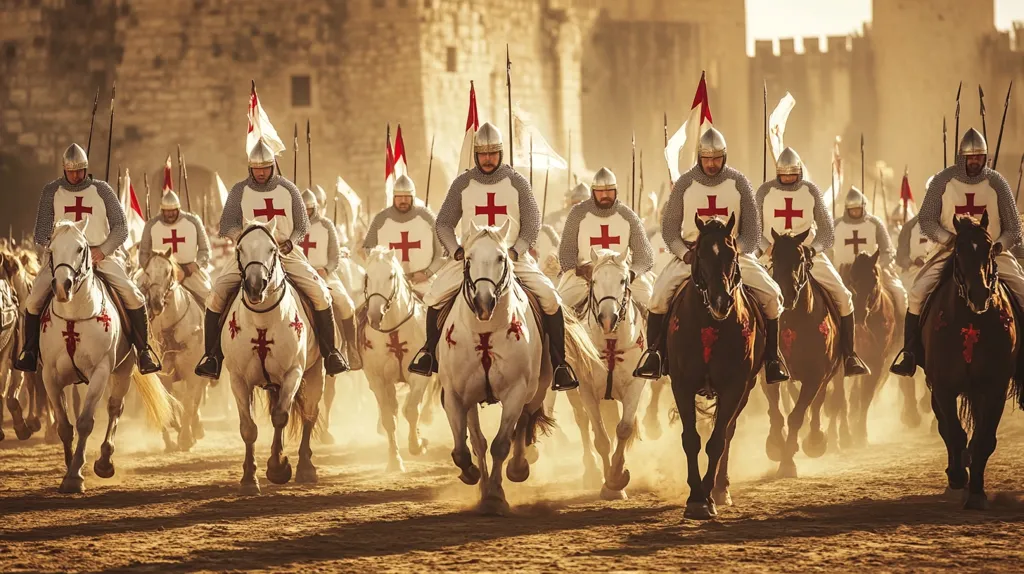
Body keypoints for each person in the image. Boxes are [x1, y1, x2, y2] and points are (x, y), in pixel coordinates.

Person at [407, 122, 579, 391]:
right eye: (483, 154)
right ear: (476, 154)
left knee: (550, 298)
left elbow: (532, 221)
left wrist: (516, 250)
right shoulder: (463, 183)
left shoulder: (517, 182)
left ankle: (559, 365)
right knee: (435, 297)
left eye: (492, 153)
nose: (488, 159)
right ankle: (430, 354)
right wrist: (457, 250)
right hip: (470, 259)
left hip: (511, 257)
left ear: (500, 153)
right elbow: (444, 223)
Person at [633, 128, 789, 383]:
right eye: (707, 158)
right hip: (693, 256)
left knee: (772, 296)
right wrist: (685, 254)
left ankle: (772, 359)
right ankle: (655, 355)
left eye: (716, 158)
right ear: (699, 157)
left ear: (724, 157)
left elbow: (752, 231)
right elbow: (670, 230)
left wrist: (735, 251)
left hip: (732, 256)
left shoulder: (738, 183)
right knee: (658, 298)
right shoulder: (685, 183)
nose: (712, 164)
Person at [194, 139, 349, 379]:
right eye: (257, 169)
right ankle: (212, 357)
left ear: (273, 166)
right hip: (249, 255)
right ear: (250, 168)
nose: (261, 173)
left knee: (321, 293)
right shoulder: (239, 191)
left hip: (286, 252)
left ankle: (330, 354)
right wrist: (241, 238)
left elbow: (302, 225)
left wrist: (291, 242)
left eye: (265, 168)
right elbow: (228, 224)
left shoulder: (288, 189)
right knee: (215, 296)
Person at [14, 143, 161, 374]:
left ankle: (144, 352)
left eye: (79, 171)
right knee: (32, 302)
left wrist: (102, 250)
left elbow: (121, 227)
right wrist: (59, 248)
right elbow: (42, 233)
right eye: (71, 171)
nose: (75, 176)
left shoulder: (102, 190)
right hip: (62, 260)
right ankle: (30, 352)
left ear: (86, 168)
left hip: (100, 256)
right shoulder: (51, 191)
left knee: (134, 296)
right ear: (64, 169)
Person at [890, 128, 1024, 376]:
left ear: (985, 158)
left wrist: (998, 245)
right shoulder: (943, 181)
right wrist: (948, 239)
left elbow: (1014, 228)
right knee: (917, 294)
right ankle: (910, 353)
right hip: (950, 251)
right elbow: (927, 220)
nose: (974, 161)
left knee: (1022, 292)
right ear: (961, 157)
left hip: (991, 253)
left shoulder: (997, 183)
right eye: (970, 157)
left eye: (979, 157)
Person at [756, 147, 869, 376]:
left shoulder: (810, 191)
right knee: (747, 297)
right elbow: (753, 228)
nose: (788, 179)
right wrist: (766, 247)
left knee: (844, 297)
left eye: (792, 175)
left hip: (807, 255)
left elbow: (826, 232)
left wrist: (812, 249)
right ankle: (753, 357)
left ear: (799, 172)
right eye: (784, 175)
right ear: (778, 173)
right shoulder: (764, 192)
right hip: (773, 255)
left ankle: (849, 356)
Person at [557, 167, 654, 311]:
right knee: (559, 306)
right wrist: (582, 270)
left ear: (616, 191)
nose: (604, 195)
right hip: (583, 277)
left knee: (652, 303)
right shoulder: (578, 214)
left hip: (623, 275)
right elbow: (566, 255)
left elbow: (645, 256)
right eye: (600, 191)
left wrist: (631, 273)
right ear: (593, 192)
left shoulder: (628, 216)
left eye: (609, 191)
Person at [300, 189, 361, 369]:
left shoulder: (326, 225)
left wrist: (325, 269)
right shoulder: (293, 227)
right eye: (303, 210)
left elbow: (334, 257)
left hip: (324, 276)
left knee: (345, 303)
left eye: (309, 209)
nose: (306, 213)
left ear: (315, 208)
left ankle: (351, 347)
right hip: (299, 275)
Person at [363, 174, 445, 296]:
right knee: (369, 304)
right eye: (399, 197)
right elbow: (369, 248)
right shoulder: (381, 219)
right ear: (393, 197)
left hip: (424, 282)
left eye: (407, 196)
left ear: (413, 197)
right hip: (390, 282)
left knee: (438, 302)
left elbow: (441, 252)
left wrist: (427, 273)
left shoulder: (426, 217)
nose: (403, 201)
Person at [833, 186, 908, 319]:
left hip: (872, 271)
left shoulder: (875, 223)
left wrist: (878, 266)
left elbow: (887, 250)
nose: (855, 212)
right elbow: (827, 250)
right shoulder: (836, 225)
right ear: (846, 209)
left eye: (858, 209)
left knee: (900, 295)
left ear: (863, 207)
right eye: (852, 209)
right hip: (843, 271)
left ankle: (902, 328)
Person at [140, 189, 212, 302]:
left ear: (178, 208)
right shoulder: (151, 225)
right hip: (159, 274)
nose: (170, 214)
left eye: (173, 210)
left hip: (190, 273)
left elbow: (205, 250)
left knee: (209, 300)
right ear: (162, 210)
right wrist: (152, 272)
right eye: (167, 211)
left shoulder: (193, 221)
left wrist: (190, 269)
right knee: (138, 298)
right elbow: (143, 253)